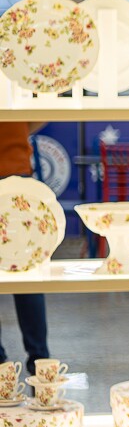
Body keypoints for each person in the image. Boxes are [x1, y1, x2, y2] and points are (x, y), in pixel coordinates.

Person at [0, 122, 51, 377]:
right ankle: (40, 360)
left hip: (15, 172)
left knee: (25, 274)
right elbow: (42, 111)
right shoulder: (14, 81)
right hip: (17, 174)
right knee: (27, 273)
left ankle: (1, 365)